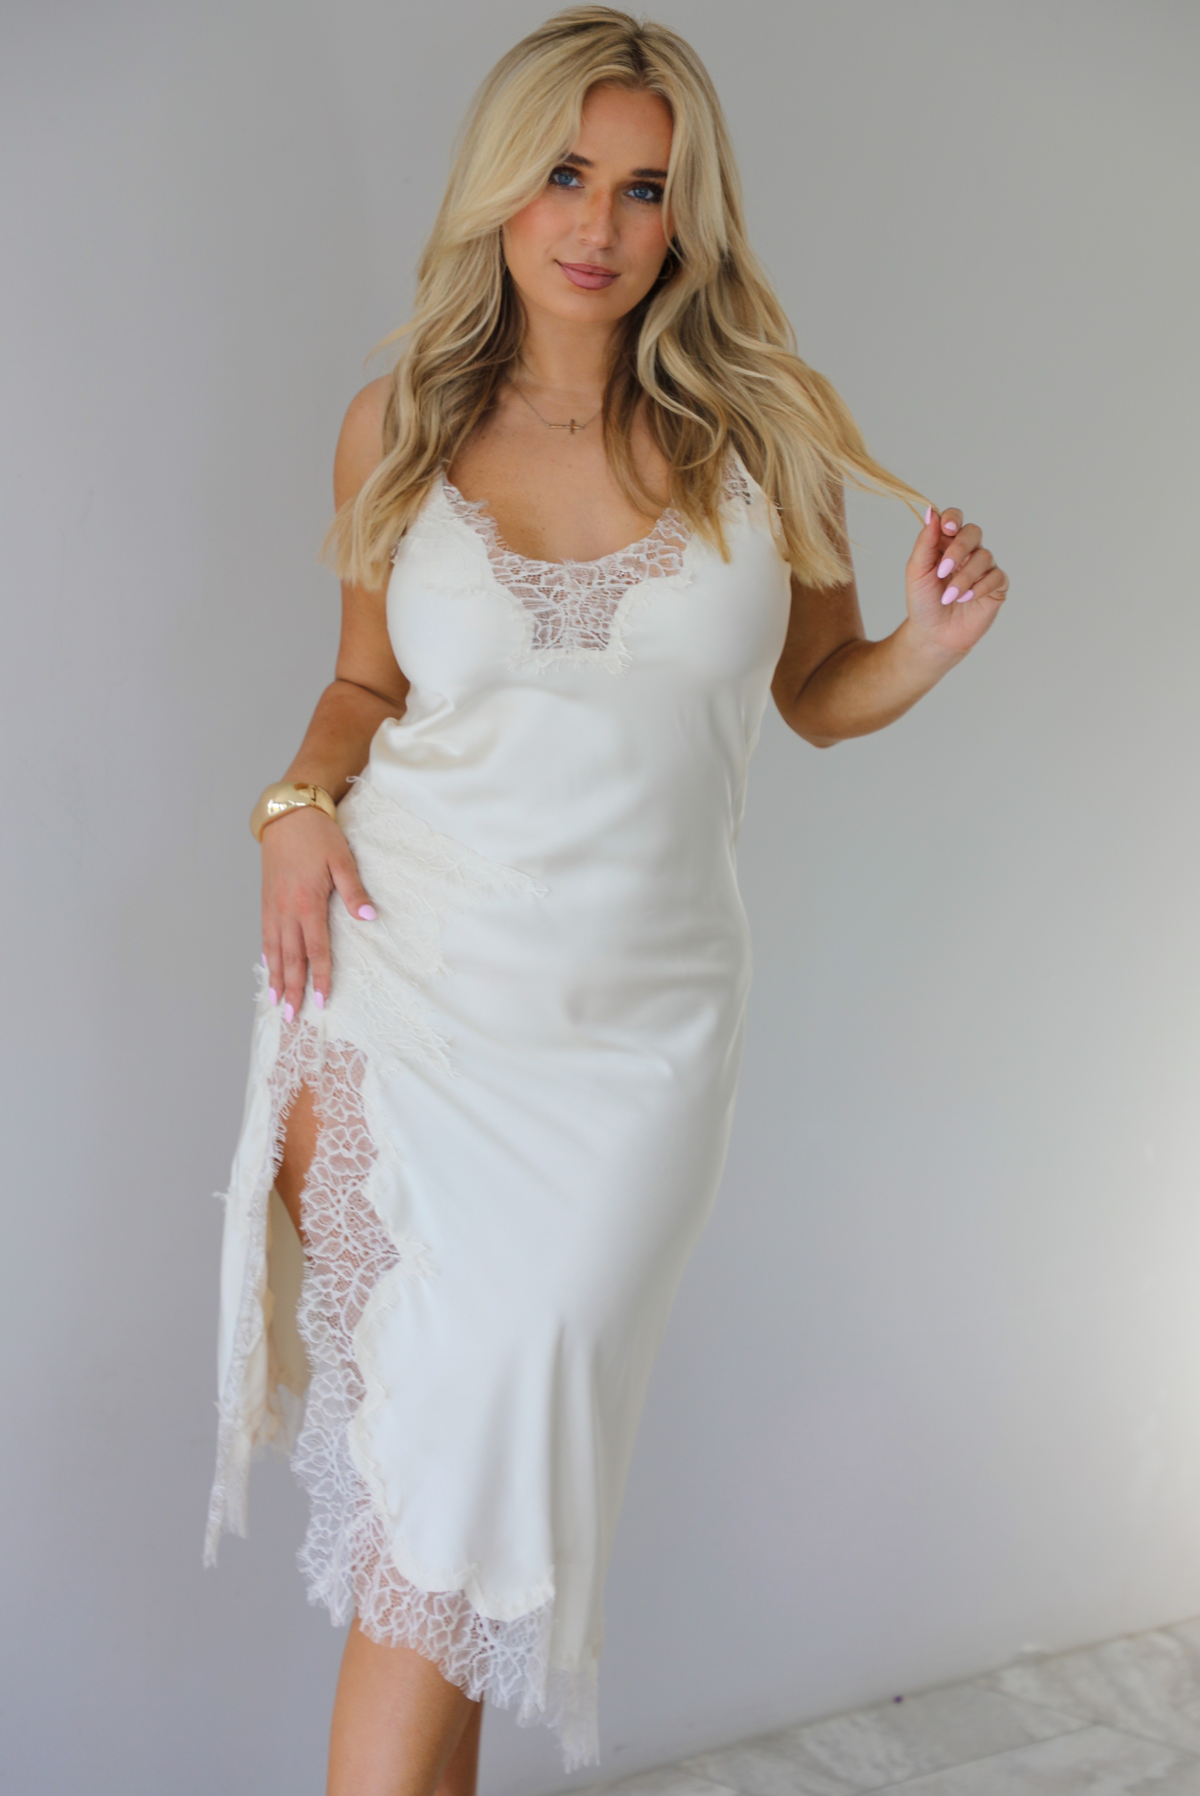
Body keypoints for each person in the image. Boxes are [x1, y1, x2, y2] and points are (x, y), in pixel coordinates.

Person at [204, 9, 1009, 1794]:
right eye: (565, 172)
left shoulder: (766, 439)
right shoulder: (394, 430)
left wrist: (928, 649)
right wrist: (291, 807)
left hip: (636, 1057)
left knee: (484, 1518)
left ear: (686, 217)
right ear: (501, 183)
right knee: (441, 1546)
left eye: (644, 188)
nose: (599, 221)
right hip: (406, 996)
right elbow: (358, 692)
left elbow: (815, 692)